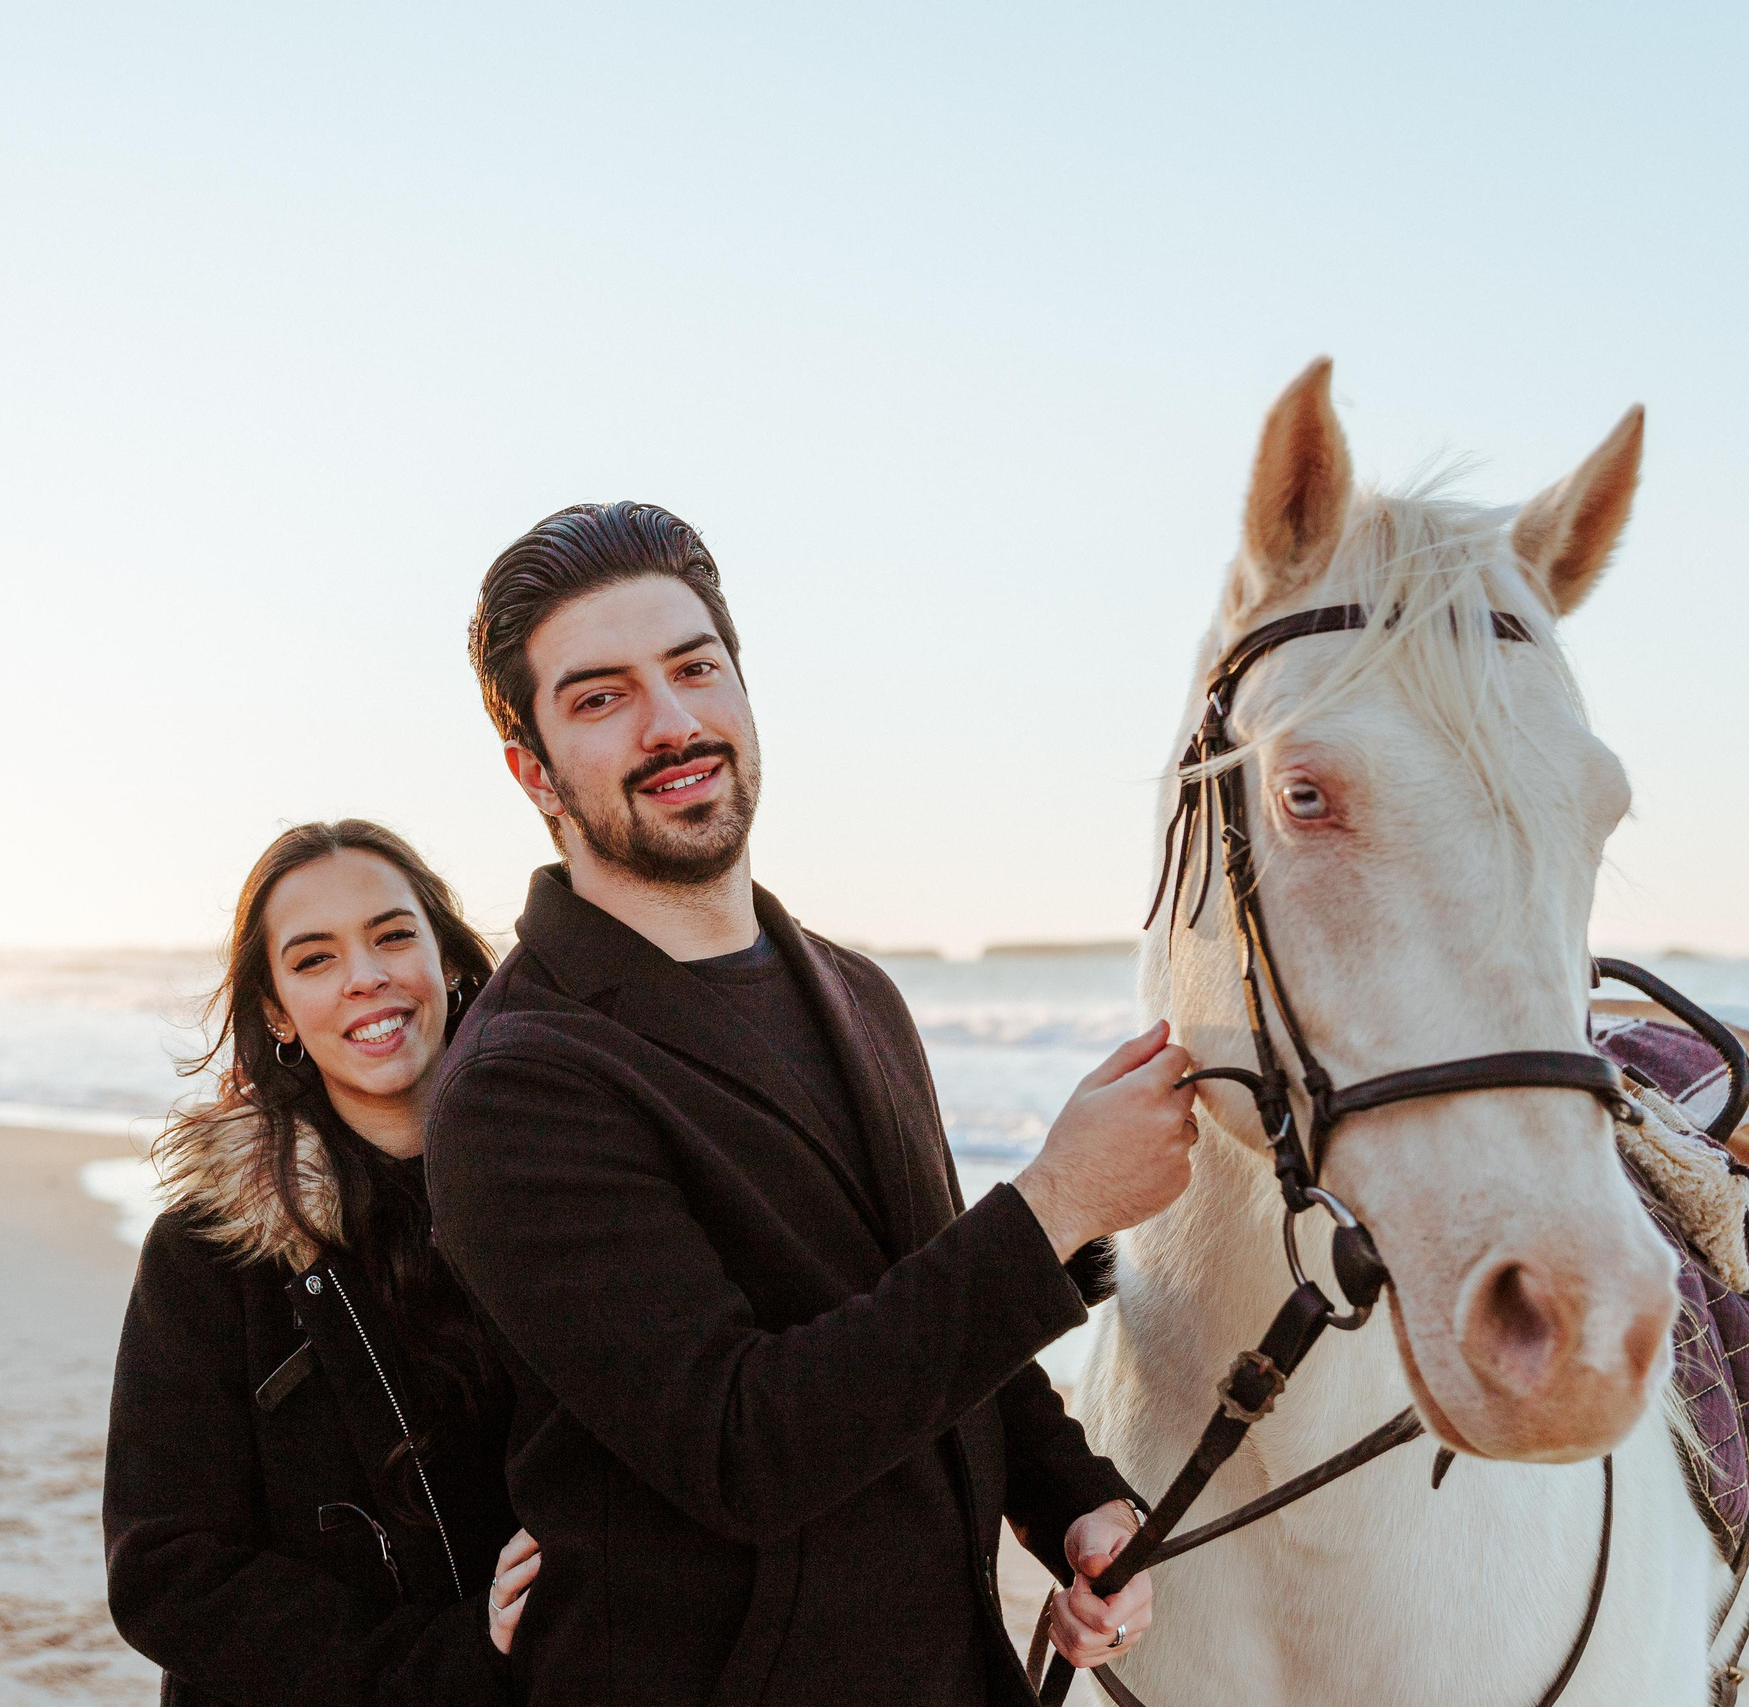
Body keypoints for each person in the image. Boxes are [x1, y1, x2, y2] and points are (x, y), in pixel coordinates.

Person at [424, 504, 1201, 1706]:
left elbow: (930, 1299)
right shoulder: (518, 1085)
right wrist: (1052, 1205)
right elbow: (740, 1445)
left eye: (694, 669)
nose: (672, 722)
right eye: (600, 697)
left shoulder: (856, 990)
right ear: (532, 771)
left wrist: (1072, 1500)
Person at [105, 820, 538, 1706]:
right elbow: (167, 1572)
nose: (365, 977)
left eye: (391, 935)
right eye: (313, 958)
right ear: (275, 1012)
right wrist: (451, 1656)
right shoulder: (213, 1250)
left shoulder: (562, 1196)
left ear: (449, 962)